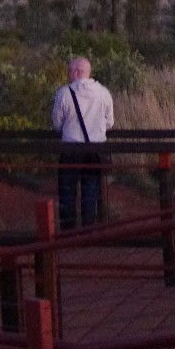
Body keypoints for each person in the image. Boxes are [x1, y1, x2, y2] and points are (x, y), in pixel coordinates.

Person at [51, 56, 114, 229]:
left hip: (71, 149)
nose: (68, 75)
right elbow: (110, 123)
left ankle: (68, 230)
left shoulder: (64, 93)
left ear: (76, 72)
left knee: (67, 190)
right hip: (95, 149)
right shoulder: (103, 93)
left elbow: (57, 123)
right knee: (91, 190)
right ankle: (89, 230)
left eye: (69, 71)